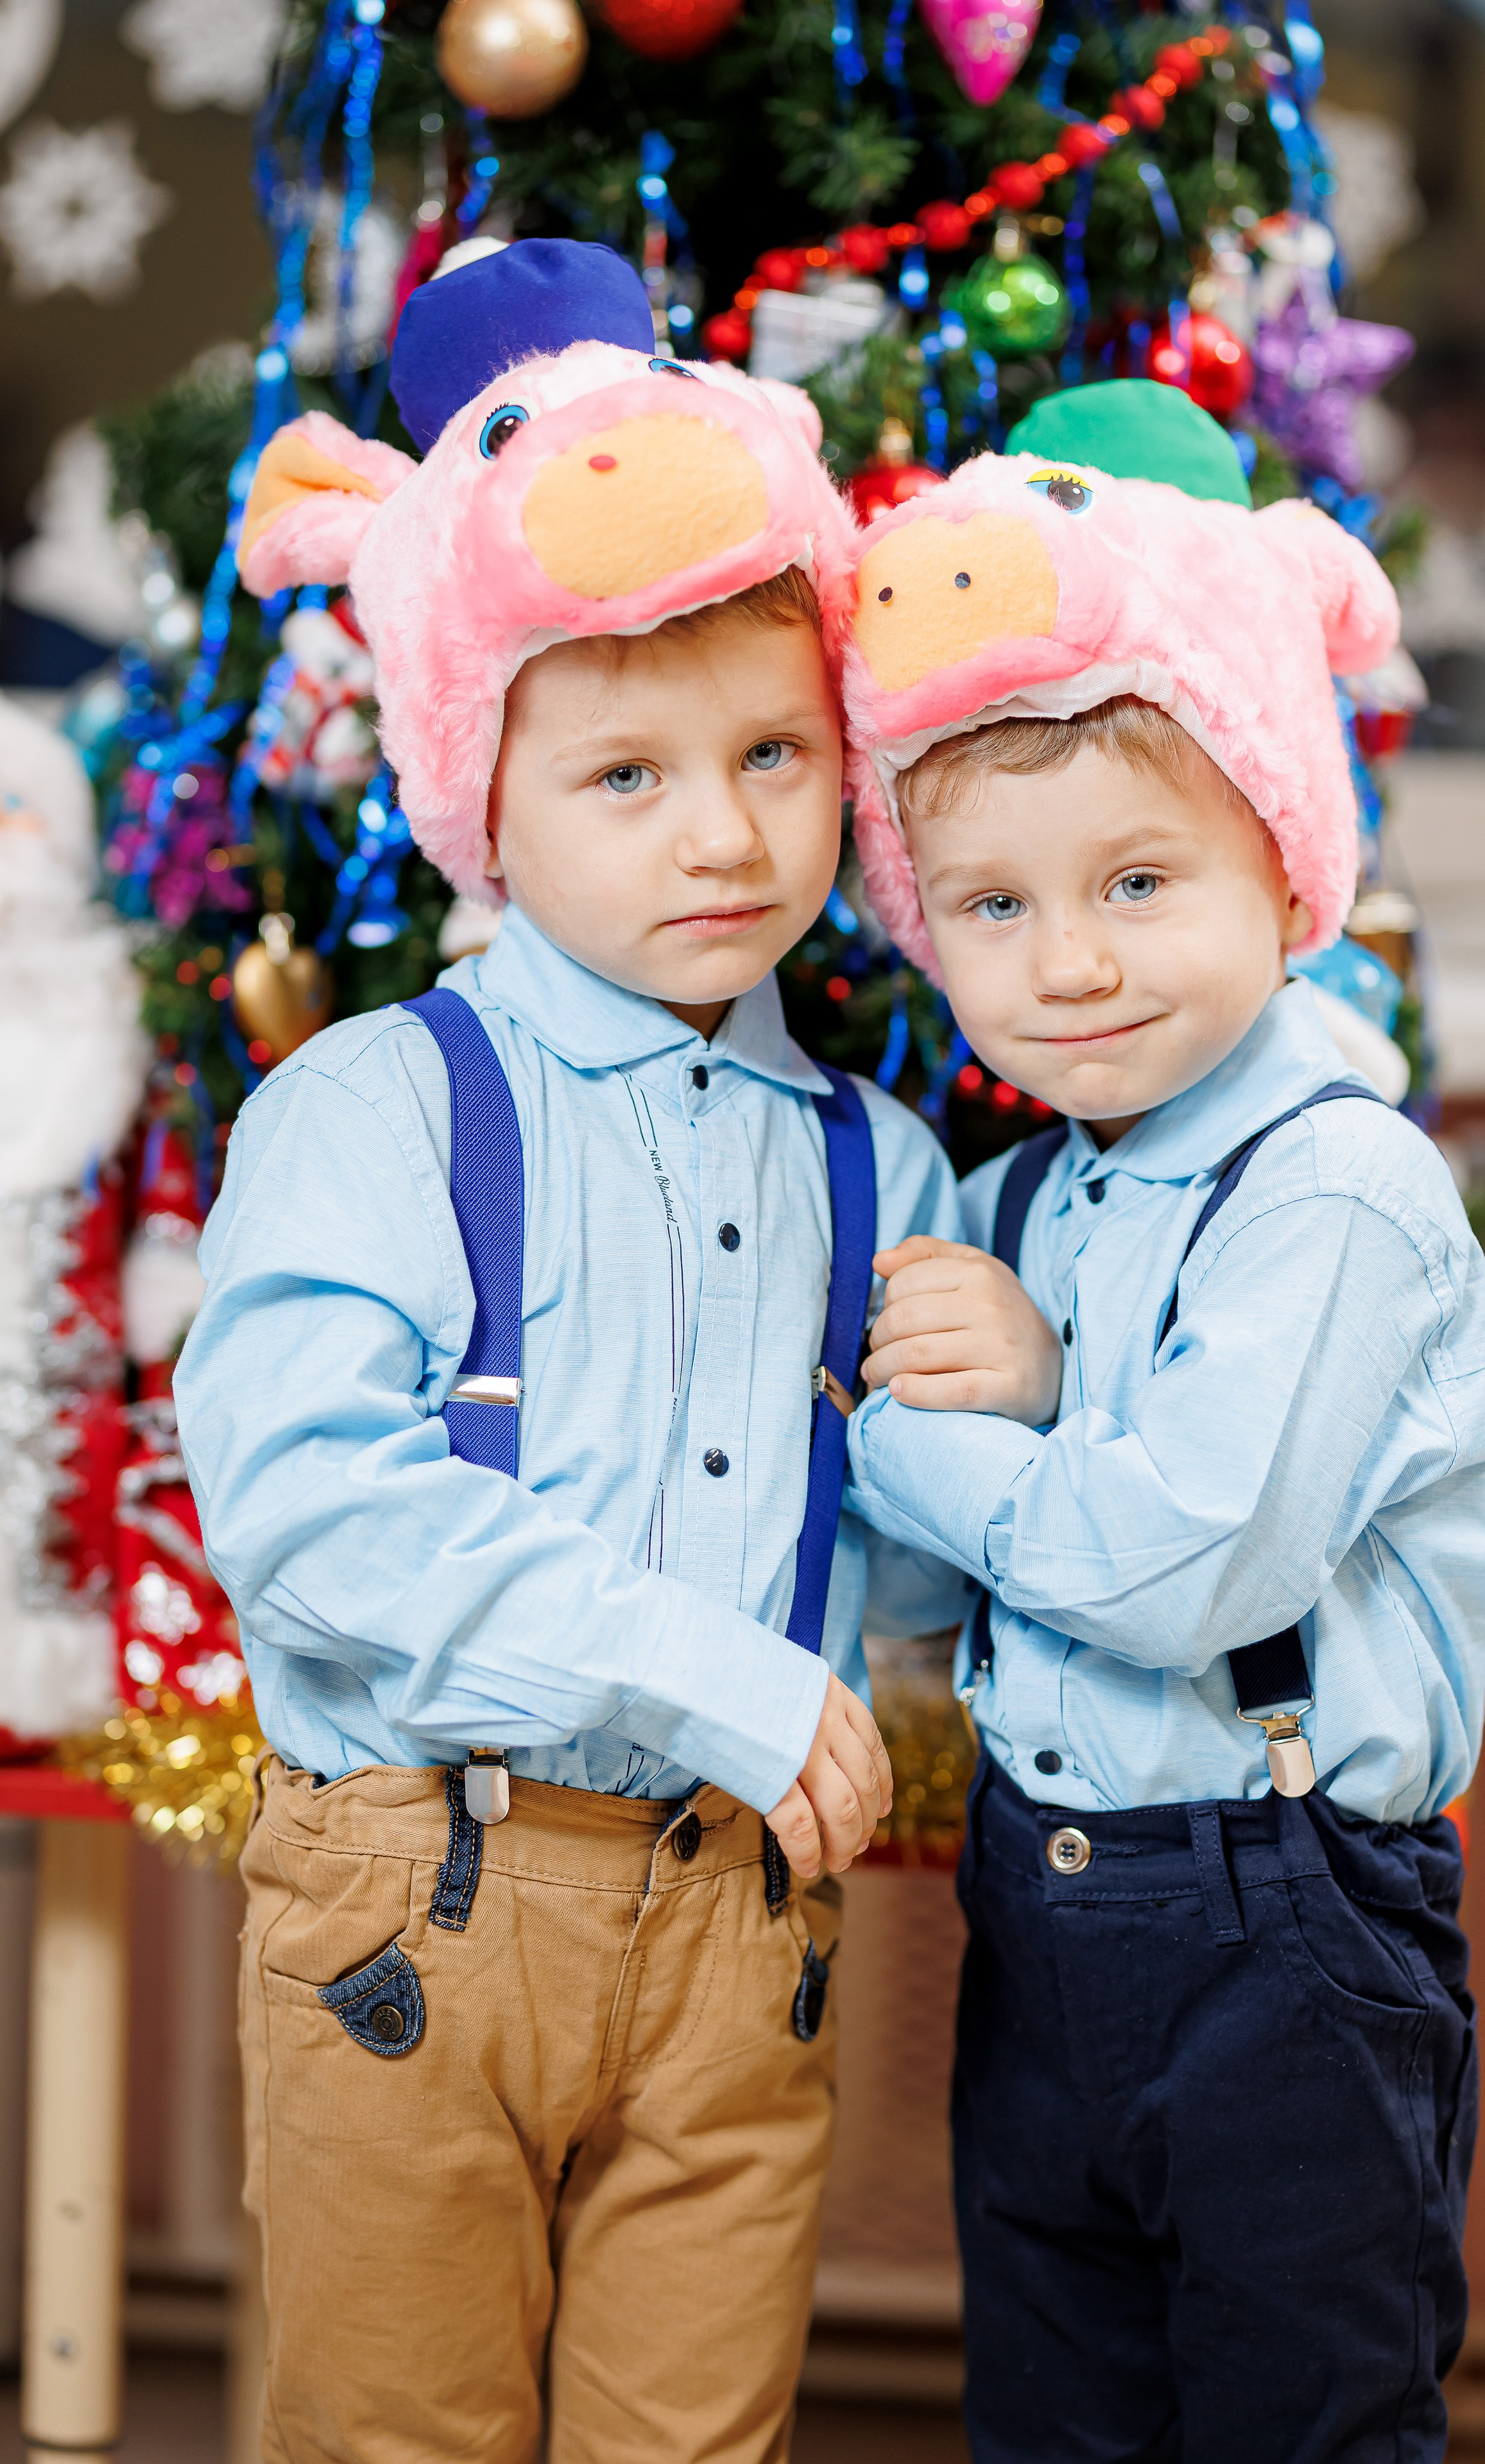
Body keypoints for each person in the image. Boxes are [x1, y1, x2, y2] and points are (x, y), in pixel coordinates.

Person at [174, 240, 965, 2464]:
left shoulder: (877, 1159)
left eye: (777, 754)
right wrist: (705, 1675)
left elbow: (908, 1570)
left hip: (745, 1936)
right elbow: (319, 1510)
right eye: (626, 774)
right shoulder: (378, 1107)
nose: (724, 832)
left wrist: (1009, 1387)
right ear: (479, 804)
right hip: (427, 1901)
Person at [833, 384, 1485, 2464]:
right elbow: (901, 1595)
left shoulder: (1333, 1183)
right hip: (1044, 1919)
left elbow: (1178, 1562)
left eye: (1139, 879)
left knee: (1297, 2422)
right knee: (1057, 2407)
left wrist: (912, 1429)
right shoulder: (1036, 1184)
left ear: (1281, 855)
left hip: (1288, 1927)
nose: (1067, 966)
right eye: (991, 907)